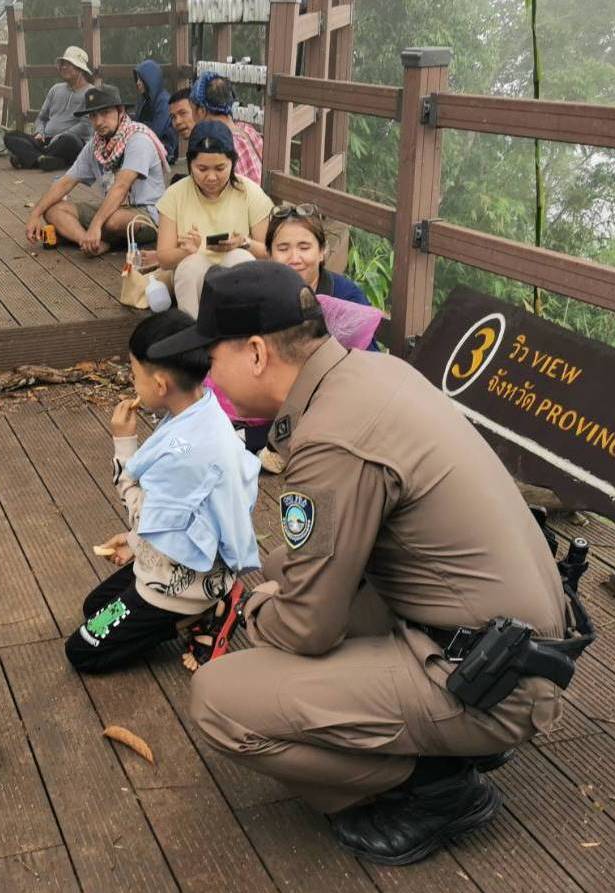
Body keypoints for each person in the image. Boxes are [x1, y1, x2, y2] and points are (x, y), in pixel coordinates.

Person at [151, 262, 584, 866]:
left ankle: (431, 788)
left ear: (255, 353)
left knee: (221, 699)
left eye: (210, 355)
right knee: (281, 567)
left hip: (487, 680)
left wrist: (254, 607)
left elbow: (305, 629)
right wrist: (279, 580)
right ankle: (438, 749)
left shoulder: (332, 436)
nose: (206, 372)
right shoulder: (376, 374)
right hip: (509, 644)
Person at [67, 311, 260, 674]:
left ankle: (197, 616)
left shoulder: (184, 453)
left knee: (81, 651)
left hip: (182, 584)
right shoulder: (205, 410)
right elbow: (179, 516)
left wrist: (123, 445)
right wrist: (134, 542)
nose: (132, 383)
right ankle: (211, 602)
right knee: (94, 608)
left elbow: (146, 513)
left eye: (134, 375)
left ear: (159, 385)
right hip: (179, 556)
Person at [24, 85, 168, 258]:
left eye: (105, 112)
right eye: (93, 116)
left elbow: (121, 187)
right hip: (111, 208)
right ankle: (90, 242)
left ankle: (91, 235)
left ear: (120, 110)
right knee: (52, 211)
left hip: (146, 213)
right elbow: (66, 181)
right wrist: (35, 214)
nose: (99, 121)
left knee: (113, 222)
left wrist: (95, 225)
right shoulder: (96, 144)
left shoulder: (138, 139)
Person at [154, 120, 273, 315]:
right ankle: (191, 333)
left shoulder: (250, 191)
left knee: (239, 257)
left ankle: (240, 330)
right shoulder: (175, 195)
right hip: (193, 278)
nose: (211, 177)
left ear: (233, 163)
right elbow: (164, 258)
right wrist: (185, 251)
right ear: (190, 164)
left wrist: (244, 242)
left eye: (220, 168)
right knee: (189, 266)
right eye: (202, 169)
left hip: (235, 276)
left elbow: (270, 251)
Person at [266, 203, 377, 347]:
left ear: (322, 251)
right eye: (283, 249)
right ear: (269, 255)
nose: (294, 259)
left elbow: (366, 359)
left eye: (304, 247)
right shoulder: (260, 296)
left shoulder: (348, 298)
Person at [3, 46, 94, 171]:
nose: (63, 67)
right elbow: (42, 117)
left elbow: (86, 127)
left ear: (80, 69)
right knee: (10, 136)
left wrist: (61, 135)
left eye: (68, 64)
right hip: (45, 140)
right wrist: (40, 132)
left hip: (69, 141)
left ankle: (30, 158)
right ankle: (44, 159)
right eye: (62, 64)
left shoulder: (91, 93)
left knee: (69, 141)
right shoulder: (56, 89)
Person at [191, 72, 264, 184]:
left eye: (192, 111)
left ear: (202, 111)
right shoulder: (247, 129)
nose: (192, 118)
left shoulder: (216, 143)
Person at [133, 60, 178, 164]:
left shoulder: (164, 100)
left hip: (165, 147)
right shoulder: (144, 99)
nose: (138, 83)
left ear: (150, 80)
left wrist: (137, 128)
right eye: (137, 79)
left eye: (141, 79)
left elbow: (157, 130)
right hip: (145, 143)